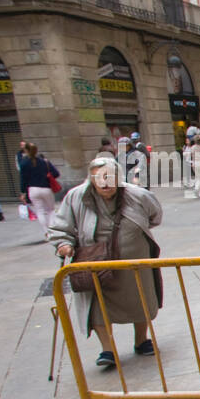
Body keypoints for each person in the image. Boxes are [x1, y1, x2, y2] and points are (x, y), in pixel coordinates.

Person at [49, 156, 163, 370]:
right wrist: (63, 244)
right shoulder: (76, 197)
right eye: (99, 178)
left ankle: (141, 340)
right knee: (98, 306)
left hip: (134, 260)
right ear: (90, 179)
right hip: (94, 260)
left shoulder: (137, 195)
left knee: (140, 299)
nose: (105, 183)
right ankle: (107, 349)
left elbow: (155, 216)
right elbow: (60, 227)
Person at [20, 143, 61, 240]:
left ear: (26, 150)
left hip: (32, 189)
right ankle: (52, 230)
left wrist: (23, 192)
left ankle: (46, 232)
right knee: (51, 210)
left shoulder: (24, 163)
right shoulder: (44, 162)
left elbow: (23, 179)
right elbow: (56, 173)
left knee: (40, 211)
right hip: (46, 188)